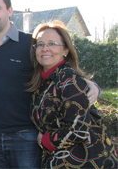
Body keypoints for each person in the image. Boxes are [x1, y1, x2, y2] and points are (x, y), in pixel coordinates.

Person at [0, 0, 100, 169]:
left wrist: (91, 84)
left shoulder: (31, 44)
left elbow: (58, 70)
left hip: (27, 136)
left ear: (9, 11)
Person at [27, 21, 118, 169]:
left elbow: (78, 129)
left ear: (66, 50)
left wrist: (45, 140)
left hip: (86, 162)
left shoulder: (69, 80)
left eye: (52, 43)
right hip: (59, 161)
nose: (45, 49)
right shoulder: (42, 83)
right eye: (40, 44)